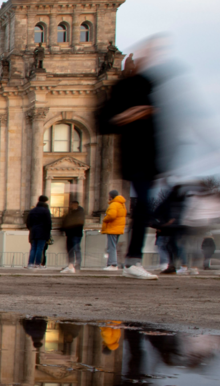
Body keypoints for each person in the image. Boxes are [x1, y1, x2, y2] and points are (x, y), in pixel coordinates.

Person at [95, 43, 164, 280]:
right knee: (144, 205)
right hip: (135, 159)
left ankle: (131, 261)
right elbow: (104, 122)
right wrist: (128, 115)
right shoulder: (125, 88)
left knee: (145, 206)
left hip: (148, 160)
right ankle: (132, 261)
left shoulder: (149, 88)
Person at [153, 184, 188, 275]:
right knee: (175, 246)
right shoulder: (183, 201)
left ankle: (176, 265)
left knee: (172, 246)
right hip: (178, 227)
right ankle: (178, 265)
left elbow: (158, 211)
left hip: (171, 227)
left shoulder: (169, 201)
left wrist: (161, 223)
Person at [101, 190, 127, 270]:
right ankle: (110, 264)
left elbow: (111, 215)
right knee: (113, 246)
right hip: (118, 228)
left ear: (111, 196)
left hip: (112, 227)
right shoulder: (121, 204)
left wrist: (105, 218)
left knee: (111, 247)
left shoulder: (114, 204)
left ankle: (113, 264)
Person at [25, 196, 52, 269]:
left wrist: (31, 229)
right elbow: (48, 223)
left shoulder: (32, 210)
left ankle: (30, 264)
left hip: (33, 231)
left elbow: (28, 222)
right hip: (42, 231)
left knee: (33, 248)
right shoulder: (46, 211)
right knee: (40, 248)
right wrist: (48, 232)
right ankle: (37, 264)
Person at [60, 200, 86, 273]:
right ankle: (70, 265)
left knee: (76, 249)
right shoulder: (70, 213)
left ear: (75, 205)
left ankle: (77, 265)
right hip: (70, 233)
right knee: (70, 250)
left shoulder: (79, 213)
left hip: (76, 233)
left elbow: (77, 223)